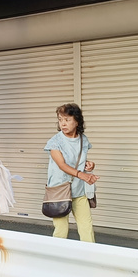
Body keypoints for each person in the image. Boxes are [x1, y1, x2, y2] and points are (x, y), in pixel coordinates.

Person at [44, 103, 99, 243]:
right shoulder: (55, 142)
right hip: (59, 190)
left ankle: (91, 257)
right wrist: (82, 175)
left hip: (78, 190)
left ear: (77, 121)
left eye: (67, 120)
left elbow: (80, 161)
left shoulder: (83, 139)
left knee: (86, 227)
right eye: (60, 119)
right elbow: (62, 165)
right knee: (61, 231)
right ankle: (58, 259)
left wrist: (89, 165)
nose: (63, 123)